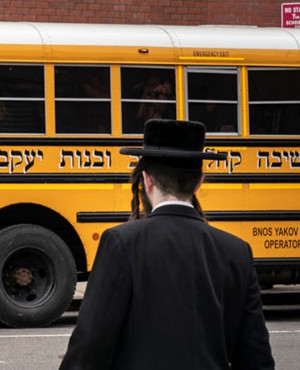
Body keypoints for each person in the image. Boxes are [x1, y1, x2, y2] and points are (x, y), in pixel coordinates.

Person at [60, 119, 274, 369]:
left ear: (147, 180)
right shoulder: (237, 252)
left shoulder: (121, 243)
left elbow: (89, 348)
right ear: (199, 182)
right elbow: (256, 358)